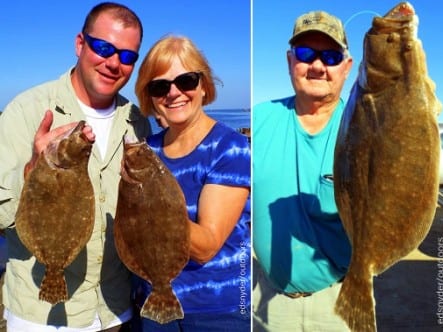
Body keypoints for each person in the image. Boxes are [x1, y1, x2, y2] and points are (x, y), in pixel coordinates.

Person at [0, 2, 150, 331]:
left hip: (116, 308)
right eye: (103, 48)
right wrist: (32, 172)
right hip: (40, 315)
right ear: (80, 44)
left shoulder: (137, 122)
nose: (114, 63)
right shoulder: (26, 111)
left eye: (127, 56)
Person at [133, 35, 251, 332]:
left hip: (219, 309)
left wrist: (152, 204)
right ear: (149, 96)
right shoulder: (145, 150)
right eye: (160, 86)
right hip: (151, 304)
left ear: (203, 85)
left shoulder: (231, 148)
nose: (173, 93)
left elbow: (206, 246)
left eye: (185, 81)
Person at [252, 10, 354, 331]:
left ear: (347, 68)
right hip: (265, 298)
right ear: (289, 61)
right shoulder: (259, 120)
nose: (318, 66)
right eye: (306, 54)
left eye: (331, 56)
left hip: (341, 298)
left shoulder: (365, 128)